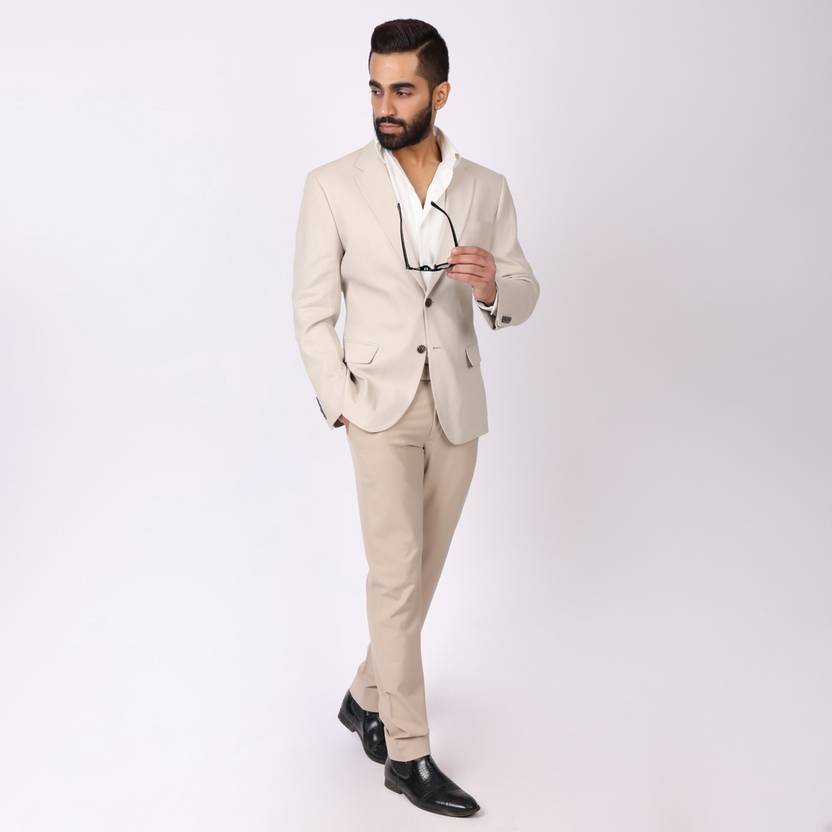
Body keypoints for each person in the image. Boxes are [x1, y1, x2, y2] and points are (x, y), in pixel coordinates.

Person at [291, 17, 540, 818]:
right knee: (396, 577)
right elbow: (310, 312)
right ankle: (409, 753)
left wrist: (494, 285)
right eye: (375, 89)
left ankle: (364, 694)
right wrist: (341, 400)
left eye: (401, 90)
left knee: (420, 575)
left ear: (440, 93)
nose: (385, 106)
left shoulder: (485, 187)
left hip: (457, 403)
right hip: (378, 406)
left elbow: (525, 288)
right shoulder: (331, 185)